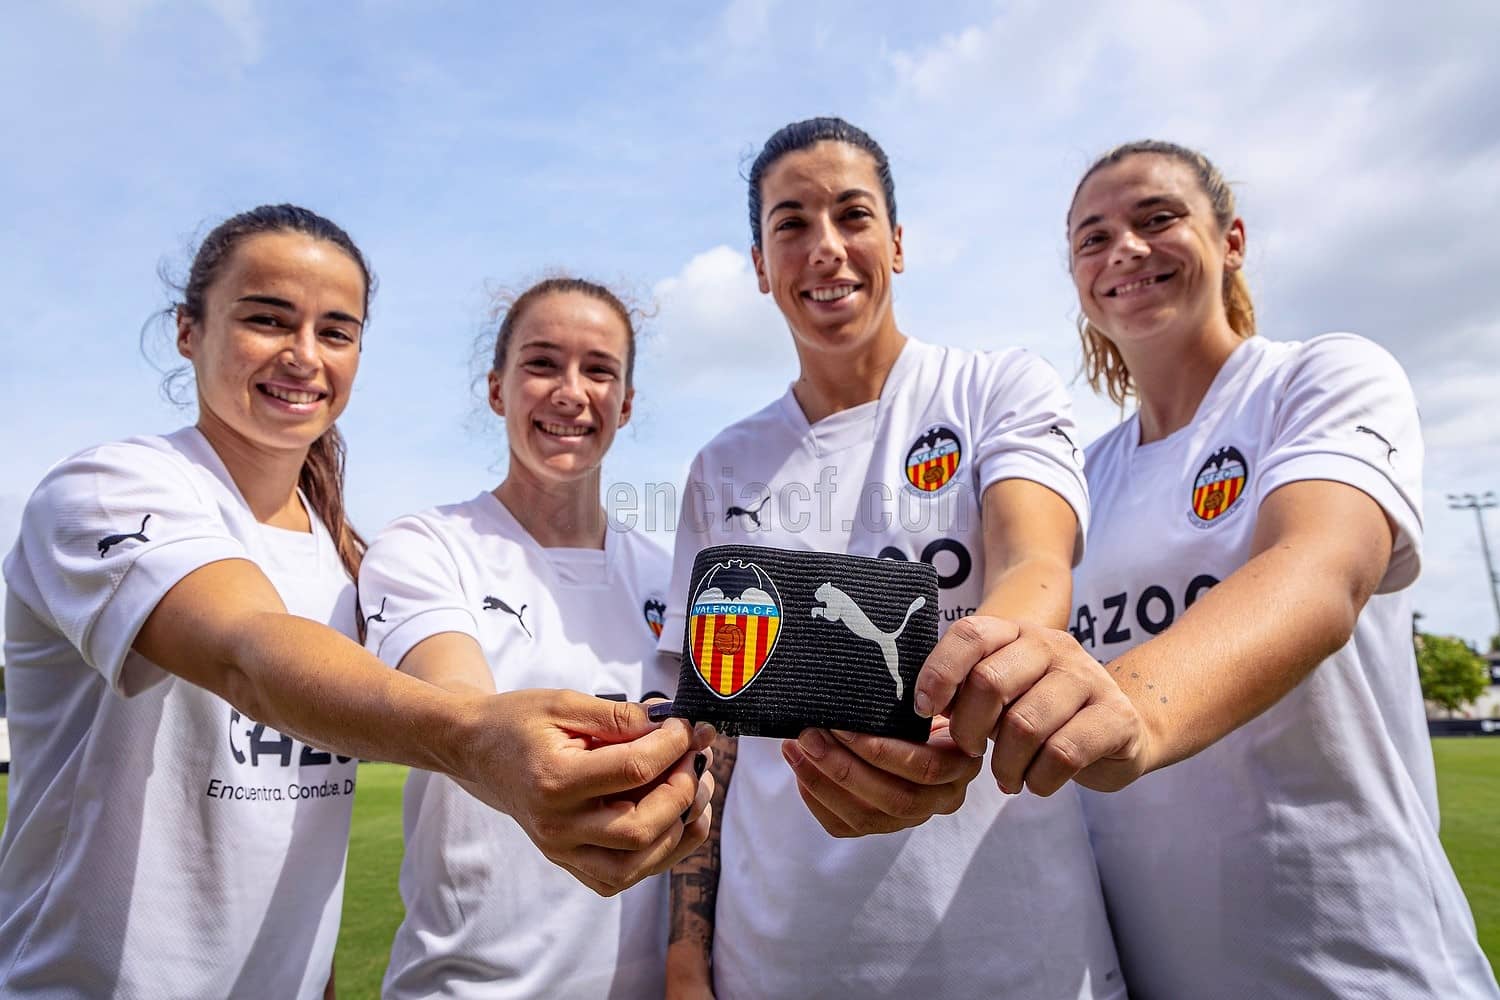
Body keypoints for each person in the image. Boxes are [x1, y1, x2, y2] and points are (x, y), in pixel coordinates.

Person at [0, 207, 710, 998]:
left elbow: (295, 846)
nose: (303, 355)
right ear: (188, 331)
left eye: (336, 332)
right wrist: (477, 739)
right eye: (268, 319)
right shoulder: (107, 488)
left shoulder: (344, 568)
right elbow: (246, 649)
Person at [917, 141, 1499, 996]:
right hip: (1153, 971)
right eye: (1093, 237)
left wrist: (1134, 711)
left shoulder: (1320, 379)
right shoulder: (1085, 474)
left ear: (1231, 240)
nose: (1125, 249)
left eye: (1157, 220)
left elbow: (1319, 569)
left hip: (1358, 966)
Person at [662, 118, 1125, 998]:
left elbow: (1036, 565)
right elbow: (710, 725)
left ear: (897, 243)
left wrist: (961, 708)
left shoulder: (995, 387)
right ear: (760, 266)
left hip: (1015, 952)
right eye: (790, 224)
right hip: (782, 960)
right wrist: (687, 951)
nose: (826, 248)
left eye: (853, 215)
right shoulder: (721, 466)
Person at [359, 277, 703, 998]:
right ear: (497, 388)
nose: (570, 392)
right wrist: (494, 743)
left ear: (627, 403)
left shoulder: (672, 576)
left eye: (599, 369)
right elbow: (457, 704)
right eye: (542, 364)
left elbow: (709, 776)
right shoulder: (426, 546)